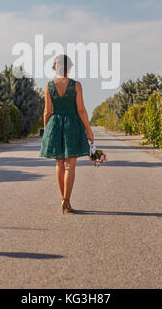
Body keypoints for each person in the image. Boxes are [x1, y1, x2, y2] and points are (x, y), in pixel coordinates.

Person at [40, 54, 94, 213]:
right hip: (72, 125)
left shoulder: (49, 85)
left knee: (59, 164)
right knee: (70, 166)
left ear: (55, 67)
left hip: (55, 125)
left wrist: (47, 131)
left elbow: (47, 112)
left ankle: (63, 199)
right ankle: (66, 200)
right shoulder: (76, 85)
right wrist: (89, 131)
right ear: (69, 67)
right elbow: (81, 110)